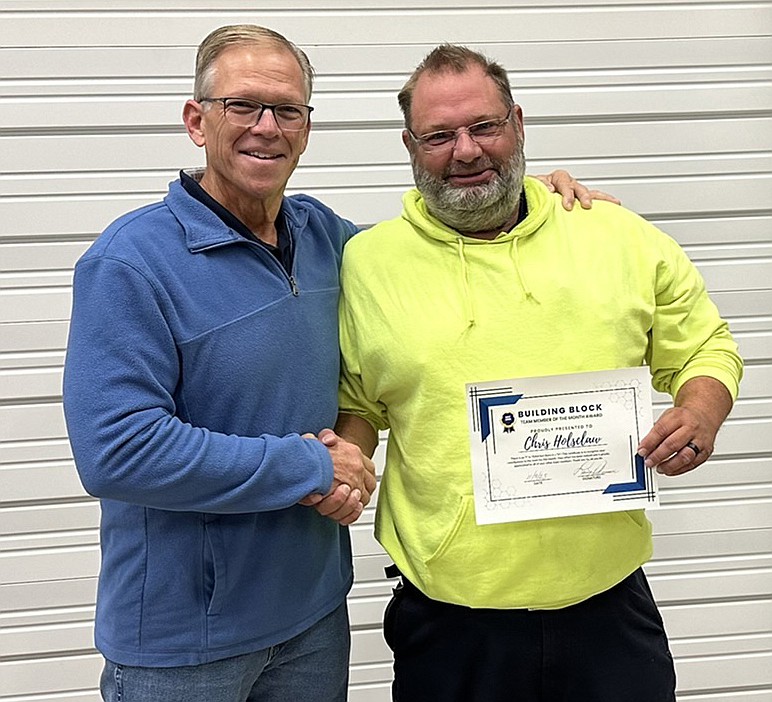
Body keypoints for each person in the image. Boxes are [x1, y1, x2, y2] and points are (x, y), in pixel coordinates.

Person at [62, 25, 604, 702]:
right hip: (182, 646)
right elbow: (116, 451)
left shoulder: (329, 241)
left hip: (313, 619)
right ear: (197, 122)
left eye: (287, 110)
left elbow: (441, 249)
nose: (267, 127)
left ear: (307, 129)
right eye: (243, 106)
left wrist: (537, 205)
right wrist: (310, 465)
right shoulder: (132, 262)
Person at [331, 45, 743, 702]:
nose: (465, 152)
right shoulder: (365, 264)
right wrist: (345, 461)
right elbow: (360, 402)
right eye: (440, 135)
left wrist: (700, 412)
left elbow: (706, 348)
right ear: (410, 145)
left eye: (484, 127)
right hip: (451, 624)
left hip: (608, 611)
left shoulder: (614, 236)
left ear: (517, 123)